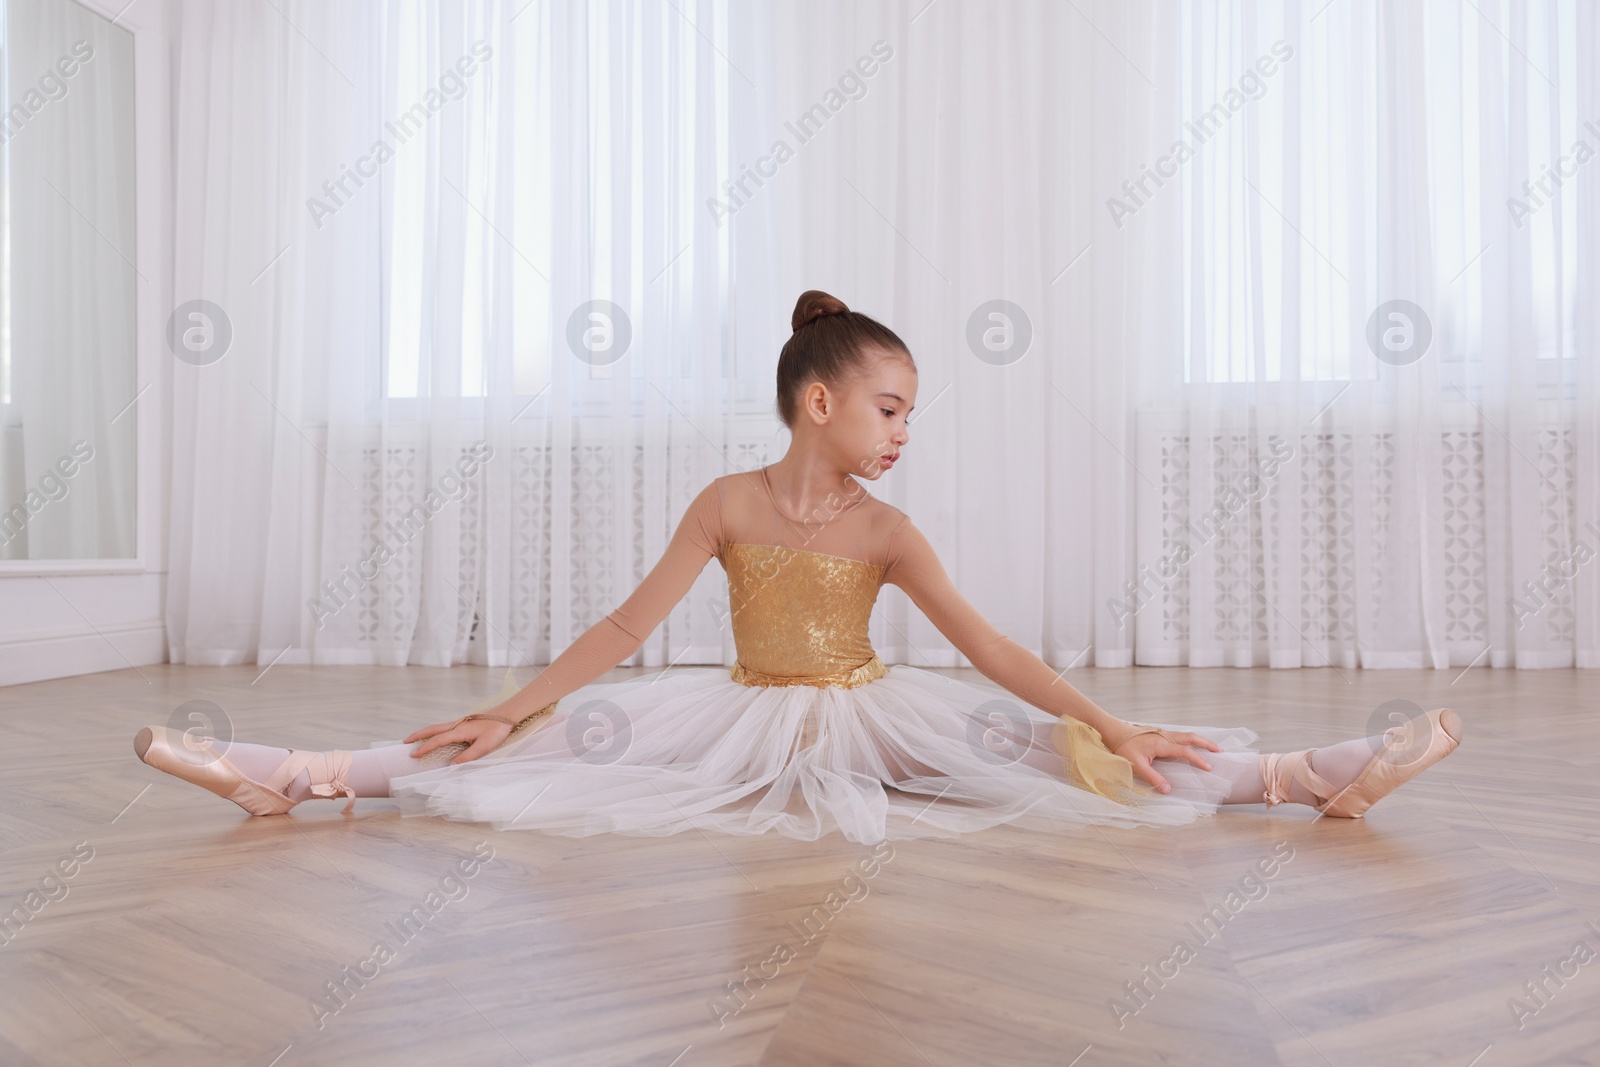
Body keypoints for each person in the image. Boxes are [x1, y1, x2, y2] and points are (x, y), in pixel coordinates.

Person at [134, 290, 1463, 844]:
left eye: (913, 413)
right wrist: (514, 705)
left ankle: (1305, 777)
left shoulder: (887, 534)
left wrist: (1109, 719)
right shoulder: (728, 501)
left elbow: (990, 650)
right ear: (817, 403)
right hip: (735, 711)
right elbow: (622, 625)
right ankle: (296, 776)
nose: (903, 432)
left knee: (1027, 750)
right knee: (539, 752)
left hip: (871, 708)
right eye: (890, 407)